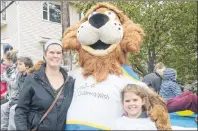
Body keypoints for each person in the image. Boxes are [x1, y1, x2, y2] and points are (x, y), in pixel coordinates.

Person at [14, 39, 75, 130]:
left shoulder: (70, 82)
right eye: (52, 52)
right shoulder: (33, 79)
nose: (55, 56)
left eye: (58, 53)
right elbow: (21, 111)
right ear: (45, 54)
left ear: (62, 56)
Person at [1, 57, 33, 130]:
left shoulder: (31, 77)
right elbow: (16, 88)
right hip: (17, 98)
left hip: (26, 101)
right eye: (18, 64)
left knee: (13, 109)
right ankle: (3, 129)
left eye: (20, 64)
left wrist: (14, 101)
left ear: (27, 66)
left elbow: (27, 95)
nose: (18, 66)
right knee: (3, 107)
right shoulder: (19, 75)